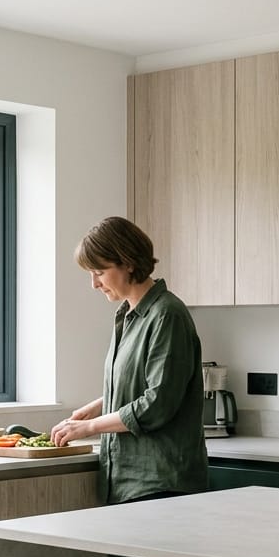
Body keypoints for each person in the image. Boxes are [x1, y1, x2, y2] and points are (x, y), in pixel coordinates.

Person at [50, 216, 209, 504]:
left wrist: (89, 428)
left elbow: (158, 403)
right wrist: (101, 404)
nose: (94, 284)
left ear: (128, 263)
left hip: (160, 484)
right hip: (128, 481)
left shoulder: (166, 315)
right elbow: (143, 382)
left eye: (99, 271)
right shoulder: (128, 315)